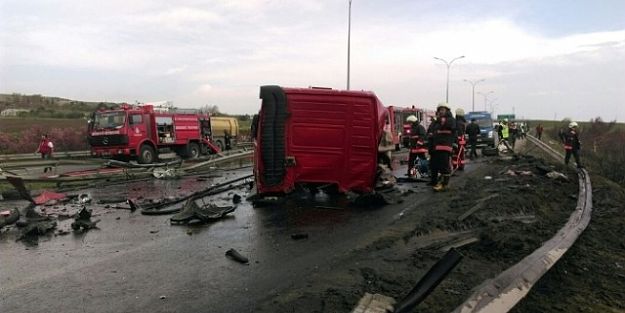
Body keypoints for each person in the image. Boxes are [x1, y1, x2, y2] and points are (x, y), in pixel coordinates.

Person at [429, 103, 457, 192]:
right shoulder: (438, 121)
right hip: (438, 146)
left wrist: (441, 120)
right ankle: (440, 182)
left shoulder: (450, 120)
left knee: (445, 166)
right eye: (439, 110)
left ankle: (444, 185)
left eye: (442, 110)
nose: (440, 111)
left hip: (445, 146)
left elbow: (450, 127)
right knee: (439, 165)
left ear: (447, 110)